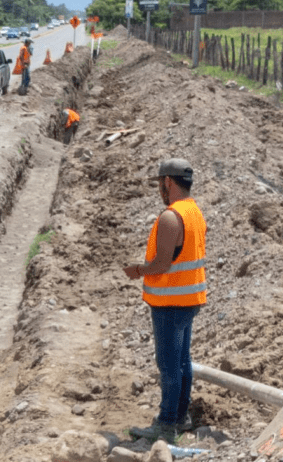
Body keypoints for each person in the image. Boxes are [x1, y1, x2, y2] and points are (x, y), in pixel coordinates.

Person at [123, 158, 207, 443]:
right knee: (183, 362)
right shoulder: (194, 211)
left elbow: (161, 264)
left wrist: (137, 271)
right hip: (189, 298)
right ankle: (180, 417)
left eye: (161, 183)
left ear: (168, 182)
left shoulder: (171, 217)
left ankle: (167, 424)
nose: (160, 189)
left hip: (170, 302)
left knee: (169, 365)